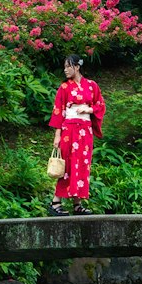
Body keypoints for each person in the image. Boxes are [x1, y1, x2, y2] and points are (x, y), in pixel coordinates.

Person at [47, 54, 105, 216]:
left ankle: (77, 204)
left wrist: (89, 109)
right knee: (67, 165)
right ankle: (55, 202)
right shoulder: (64, 88)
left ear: (77, 67)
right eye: (64, 67)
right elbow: (58, 111)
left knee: (82, 165)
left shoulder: (92, 86)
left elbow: (100, 104)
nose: (65, 70)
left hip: (85, 131)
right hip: (69, 130)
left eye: (68, 66)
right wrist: (57, 136)